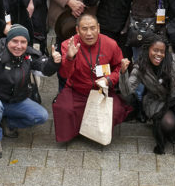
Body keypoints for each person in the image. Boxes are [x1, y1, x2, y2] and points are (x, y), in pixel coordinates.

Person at [0, 25, 59, 156]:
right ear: (8, 41)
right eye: (15, 41)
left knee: (41, 116)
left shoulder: (29, 55)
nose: (19, 46)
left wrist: (53, 62)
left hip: (14, 101)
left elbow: (44, 70)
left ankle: (7, 123)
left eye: (23, 42)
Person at [53, 12, 132, 142]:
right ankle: (78, 131)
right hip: (77, 90)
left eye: (93, 28)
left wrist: (108, 79)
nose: (89, 33)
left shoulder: (111, 44)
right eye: (84, 29)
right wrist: (70, 57)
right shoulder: (68, 45)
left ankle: (95, 130)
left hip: (102, 90)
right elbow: (64, 74)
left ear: (99, 28)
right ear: (77, 30)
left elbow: (118, 67)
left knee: (117, 110)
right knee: (64, 108)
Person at [123, 36, 175, 154]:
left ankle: (173, 128)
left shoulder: (174, 60)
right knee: (169, 123)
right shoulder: (140, 66)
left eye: (162, 51)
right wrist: (123, 73)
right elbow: (126, 91)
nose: (158, 54)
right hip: (156, 100)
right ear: (148, 49)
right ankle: (165, 128)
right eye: (155, 50)